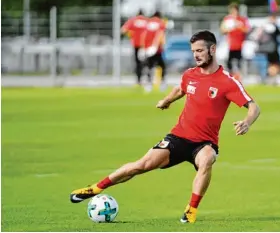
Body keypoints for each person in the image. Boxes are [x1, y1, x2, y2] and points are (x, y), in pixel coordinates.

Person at [70, 30, 261, 224]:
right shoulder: (190, 74)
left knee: (207, 160)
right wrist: (167, 100)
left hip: (205, 143)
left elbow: (254, 107)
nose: (196, 55)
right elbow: (181, 89)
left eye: (200, 50)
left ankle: (190, 211)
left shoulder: (227, 82)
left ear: (212, 49)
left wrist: (247, 122)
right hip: (179, 137)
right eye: (194, 51)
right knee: (141, 165)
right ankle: (96, 188)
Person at [220, 3, 250, 81]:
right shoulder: (227, 19)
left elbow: (247, 30)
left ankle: (239, 77)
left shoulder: (242, 19)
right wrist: (229, 28)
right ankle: (231, 77)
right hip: (230, 44)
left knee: (240, 62)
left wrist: (239, 26)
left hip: (240, 44)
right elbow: (222, 30)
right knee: (229, 62)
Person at [141, 11, 168, 92]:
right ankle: (162, 83)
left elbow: (143, 35)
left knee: (149, 66)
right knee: (162, 66)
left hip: (148, 48)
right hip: (156, 49)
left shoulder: (148, 22)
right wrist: (156, 45)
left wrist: (143, 47)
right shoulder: (161, 22)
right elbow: (160, 34)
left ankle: (148, 84)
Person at [121, 10, 148, 86]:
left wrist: (131, 35)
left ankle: (139, 80)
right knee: (147, 62)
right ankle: (148, 79)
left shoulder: (133, 20)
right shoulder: (147, 20)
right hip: (145, 45)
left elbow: (123, 30)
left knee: (137, 63)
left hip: (136, 45)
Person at [254, 12, 280, 85]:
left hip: (266, 49)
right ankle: (272, 78)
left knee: (271, 64)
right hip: (272, 49)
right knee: (275, 64)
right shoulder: (272, 26)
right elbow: (279, 33)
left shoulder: (264, 26)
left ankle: (270, 78)